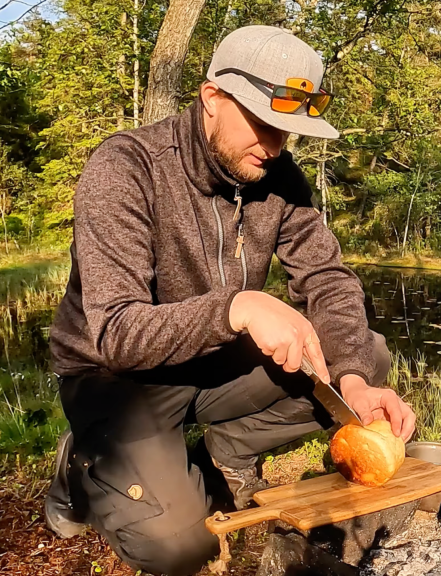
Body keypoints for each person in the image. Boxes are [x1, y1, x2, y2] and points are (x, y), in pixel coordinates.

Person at [44, 25, 416, 576]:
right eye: (263, 124)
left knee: (367, 355)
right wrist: (237, 308)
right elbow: (115, 333)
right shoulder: (126, 167)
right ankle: (81, 463)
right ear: (212, 97)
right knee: (178, 548)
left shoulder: (280, 177)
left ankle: (227, 452)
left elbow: (328, 279)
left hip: (213, 364)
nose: (274, 145)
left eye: (287, 131)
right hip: (118, 380)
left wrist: (354, 382)